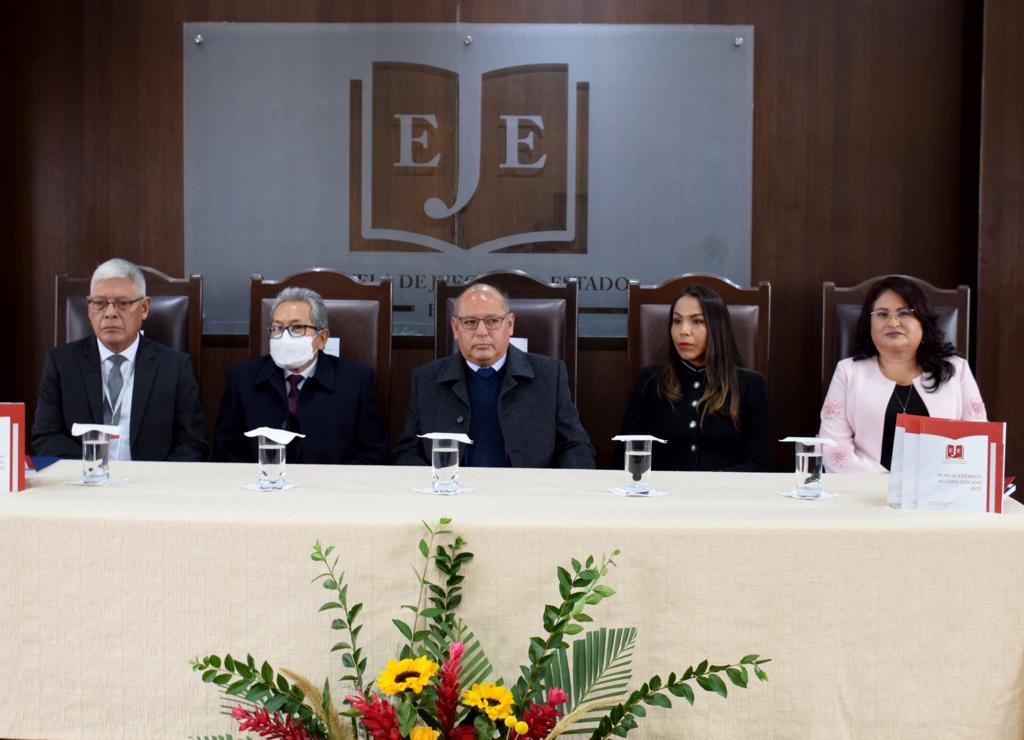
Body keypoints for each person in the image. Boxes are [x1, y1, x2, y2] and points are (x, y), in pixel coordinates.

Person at [392, 283, 595, 468]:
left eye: (492, 321)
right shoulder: (426, 379)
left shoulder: (550, 375)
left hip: (527, 498)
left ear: (510, 324)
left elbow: (576, 447)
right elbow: (407, 451)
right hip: (451, 498)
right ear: (455, 328)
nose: (481, 332)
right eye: (470, 322)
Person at [32, 258, 207, 461]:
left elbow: (193, 444)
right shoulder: (61, 364)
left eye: (122, 303)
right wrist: (94, 468)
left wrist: (155, 484)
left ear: (144, 308)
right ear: (89, 308)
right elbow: (45, 437)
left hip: (150, 486)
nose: (110, 313)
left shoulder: (175, 367)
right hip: (85, 483)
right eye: (99, 303)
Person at [818, 276, 986, 472]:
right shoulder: (848, 372)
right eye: (882, 314)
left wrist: (932, 486)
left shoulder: (957, 371)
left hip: (940, 493)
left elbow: (978, 443)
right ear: (869, 324)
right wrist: (891, 487)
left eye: (904, 313)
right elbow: (831, 448)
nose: (893, 322)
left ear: (922, 321)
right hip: (865, 493)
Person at [212, 287, 389, 464]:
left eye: (297, 328)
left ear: (321, 338)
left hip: (332, 488)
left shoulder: (356, 382)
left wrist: (334, 484)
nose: (284, 337)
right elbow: (224, 450)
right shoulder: (242, 379)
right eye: (277, 328)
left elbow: (374, 454)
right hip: (263, 487)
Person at [620, 285, 772, 471]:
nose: (683, 331)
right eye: (676, 321)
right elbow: (624, 458)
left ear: (717, 328)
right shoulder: (650, 381)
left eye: (697, 321)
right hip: (660, 496)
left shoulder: (749, 385)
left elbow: (759, 465)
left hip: (726, 496)